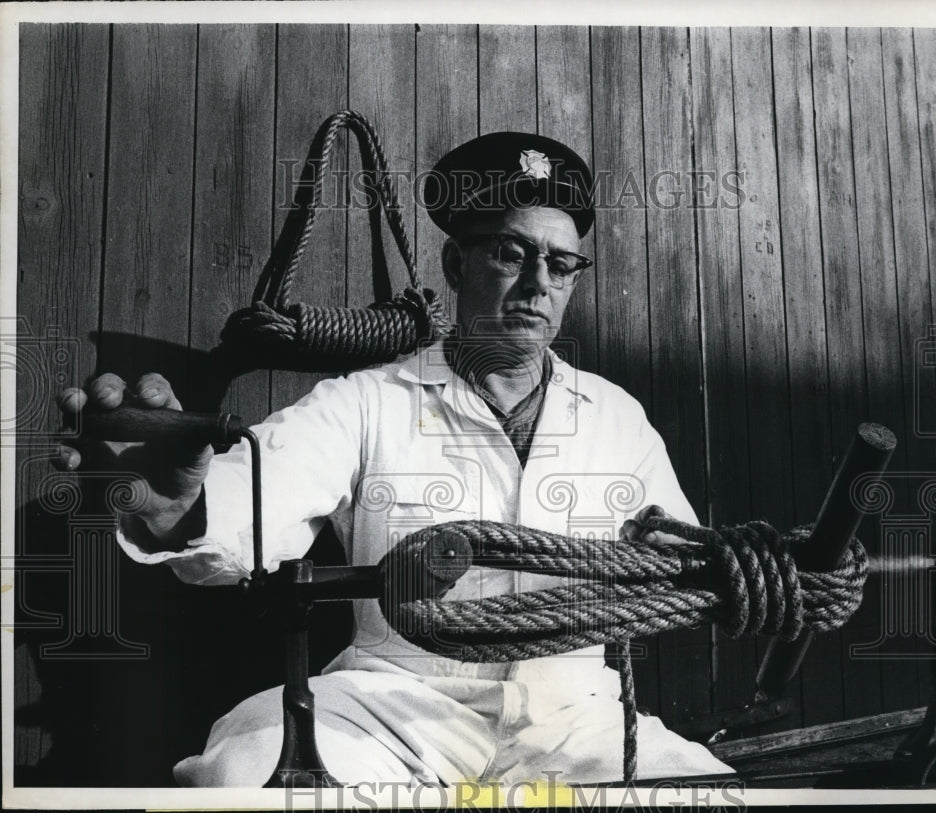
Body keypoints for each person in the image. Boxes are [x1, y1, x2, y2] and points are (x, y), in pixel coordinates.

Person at [55, 132, 732, 786]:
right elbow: (254, 497)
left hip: (577, 717)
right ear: (455, 265)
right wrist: (182, 507)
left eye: (560, 265)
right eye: (509, 253)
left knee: (706, 786)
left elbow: (682, 566)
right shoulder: (367, 402)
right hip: (400, 708)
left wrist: (749, 575)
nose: (537, 283)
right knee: (249, 768)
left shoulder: (616, 417)